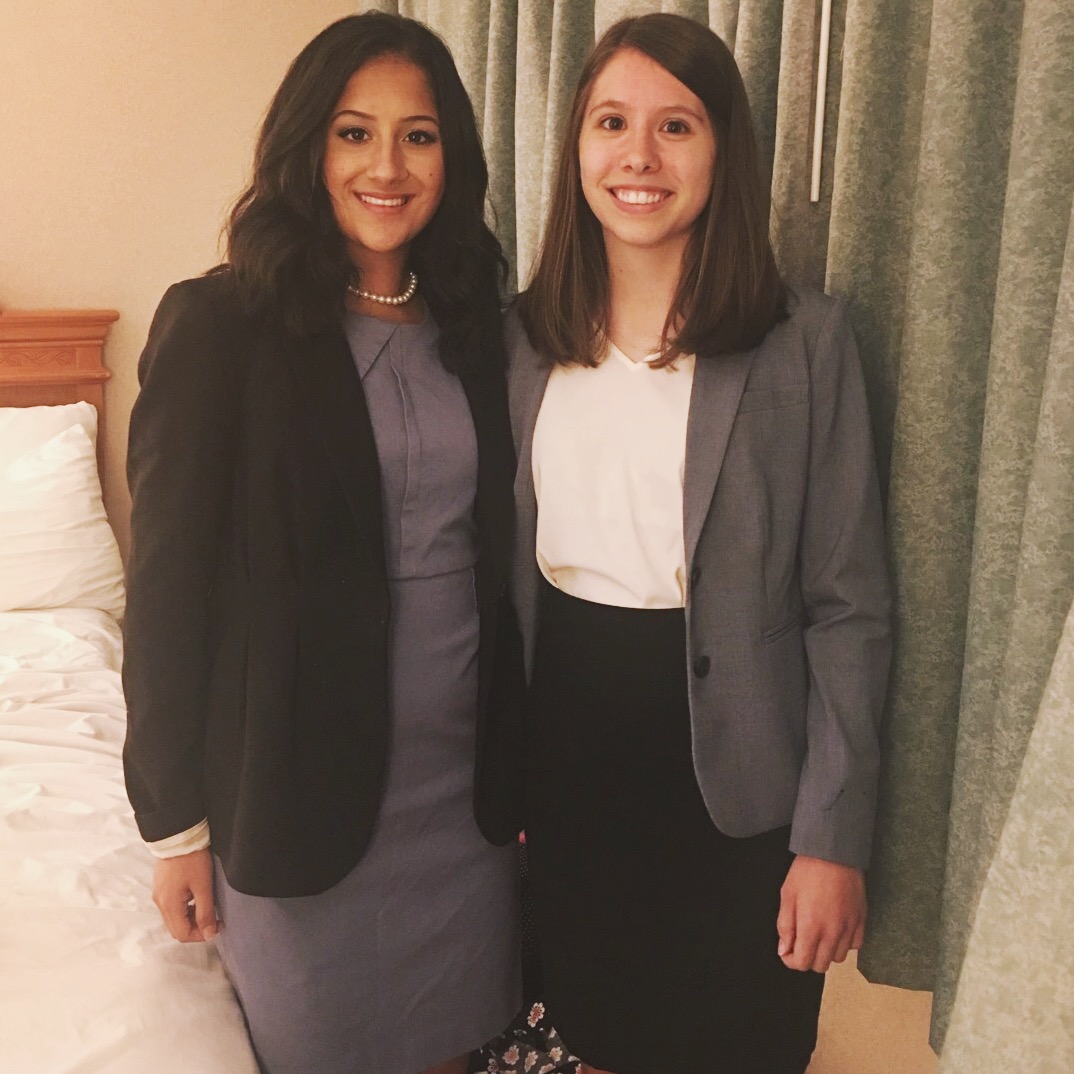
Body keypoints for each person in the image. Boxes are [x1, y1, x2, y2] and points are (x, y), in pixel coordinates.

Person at [122, 13, 523, 1074]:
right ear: (307, 144)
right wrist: (173, 827)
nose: (387, 167)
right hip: (293, 787)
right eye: (355, 133)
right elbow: (165, 594)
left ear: (453, 157)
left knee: (453, 1044)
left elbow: (504, 564)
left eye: (418, 136)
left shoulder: (479, 326)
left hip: (461, 795)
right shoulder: (222, 325)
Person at [505, 13, 891, 1074]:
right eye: (611, 123)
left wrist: (832, 837)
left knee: (743, 1046)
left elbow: (850, 607)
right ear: (575, 147)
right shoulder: (521, 339)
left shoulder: (806, 344)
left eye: (675, 125)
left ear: (724, 151)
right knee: (599, 1032)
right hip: (571, 770)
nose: (638, 155)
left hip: (745, 790)